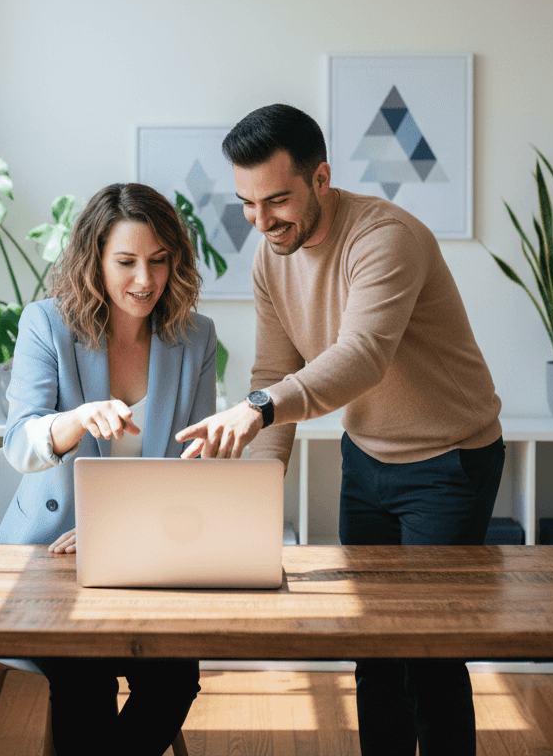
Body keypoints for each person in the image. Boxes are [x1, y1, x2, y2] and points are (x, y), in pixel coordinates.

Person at [175, 103, 504, 756]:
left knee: (429, 654)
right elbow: (274, 367)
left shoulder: (386, 237)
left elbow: (361, 358)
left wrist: (260, 407)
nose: (261, 223)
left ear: (321, 179)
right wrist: (259, 500)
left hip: (448, 462)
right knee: (373, 648)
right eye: (246, 204)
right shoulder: (273, 259)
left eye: (276, 201)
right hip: (366, 460)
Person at [0, 182, 215, 756]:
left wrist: (118, 531)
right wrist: (77, 419)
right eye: (126, 262)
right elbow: (19, 445)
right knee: (82, 676)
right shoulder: (47, 325)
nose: (145, 280)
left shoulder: (195, 338)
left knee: (173, 679)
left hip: (152, 555)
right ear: (94, 261)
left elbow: (196, 469)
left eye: (159, 261)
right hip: (50, 557)